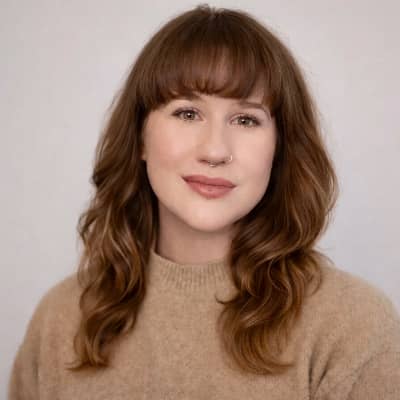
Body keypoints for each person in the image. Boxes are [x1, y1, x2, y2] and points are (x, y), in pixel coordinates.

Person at [8, 4, 400, 399]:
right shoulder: (59, 320)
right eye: (187, 113)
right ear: (140, 137)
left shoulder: (353, 327)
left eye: (246, 119)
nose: (214, 151)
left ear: (279, 148)